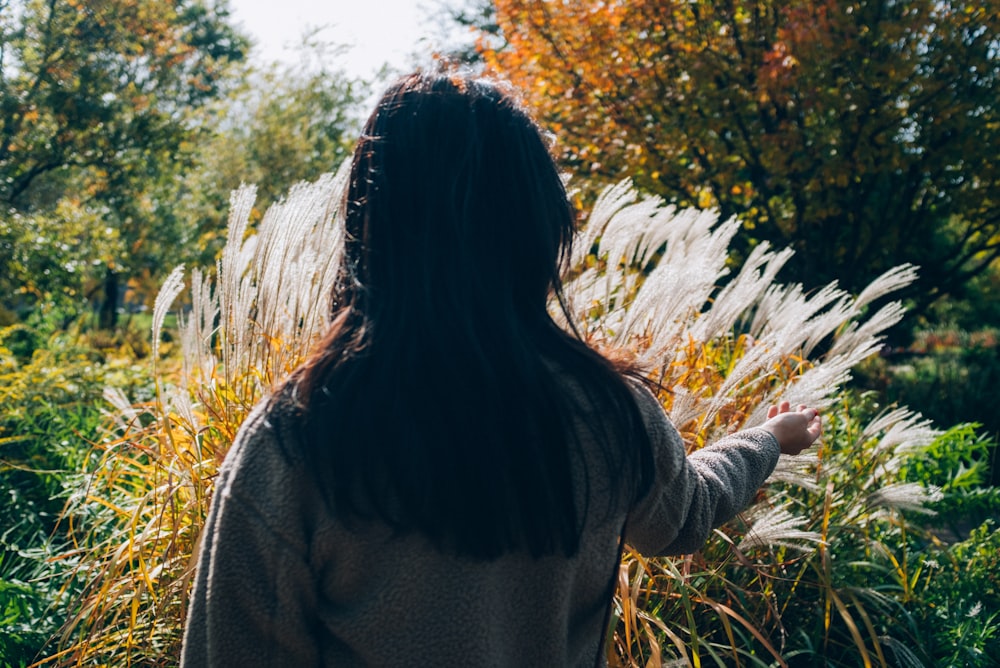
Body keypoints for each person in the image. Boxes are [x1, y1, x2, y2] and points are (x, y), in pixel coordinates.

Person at [180, 71, 821, 667]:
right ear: (537, 229)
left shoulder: (300, 432)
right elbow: (684, 516)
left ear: (370, 224)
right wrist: (769, 440)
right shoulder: (606, 411)